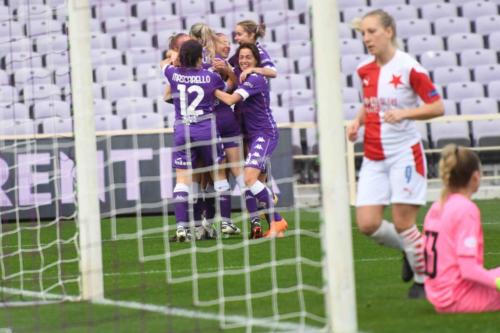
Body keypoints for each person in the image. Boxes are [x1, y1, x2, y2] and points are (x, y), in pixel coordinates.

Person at [346, 9, 445, 298]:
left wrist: (404, 113)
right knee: (367, 224)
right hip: (373, 157)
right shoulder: (364, 70)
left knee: (403, 223)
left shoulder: (410, 68)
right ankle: (411, 248)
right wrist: (356, 122)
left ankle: (423, 281)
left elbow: (437, 106)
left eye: (372, 31)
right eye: (363, 33)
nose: (367, 38)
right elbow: (370, 102)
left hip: (404, 154)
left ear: (389, 31)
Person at [215, 43, 288, 239]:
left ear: (256, 60)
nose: (244, 60)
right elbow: (229, 81)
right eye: (241, 57)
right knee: (255, 182)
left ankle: (278, 220)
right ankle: (275, 225)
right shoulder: (241, 74)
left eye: (249, 57)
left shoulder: (256, 78)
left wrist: (207, 88)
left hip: (264, 134)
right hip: (249, 135)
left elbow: (230, 100)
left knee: (249, 179)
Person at [162, 39, 227, 241]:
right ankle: (226, 222)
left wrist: (174, 59)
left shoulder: (173, 74)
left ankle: (182, 228)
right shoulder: (211, 77)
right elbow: (226, 87)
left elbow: (164, 64)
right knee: (218, 177)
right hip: (207, 129)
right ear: (201, 57)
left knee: (182, 180)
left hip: (183, 131)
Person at [423, 144, 500, 313]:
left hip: (439, 295)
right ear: (474, 177)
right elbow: (468, 269)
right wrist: (496, 283)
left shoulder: (436, 207)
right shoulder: (465, 209)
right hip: (458, 297)